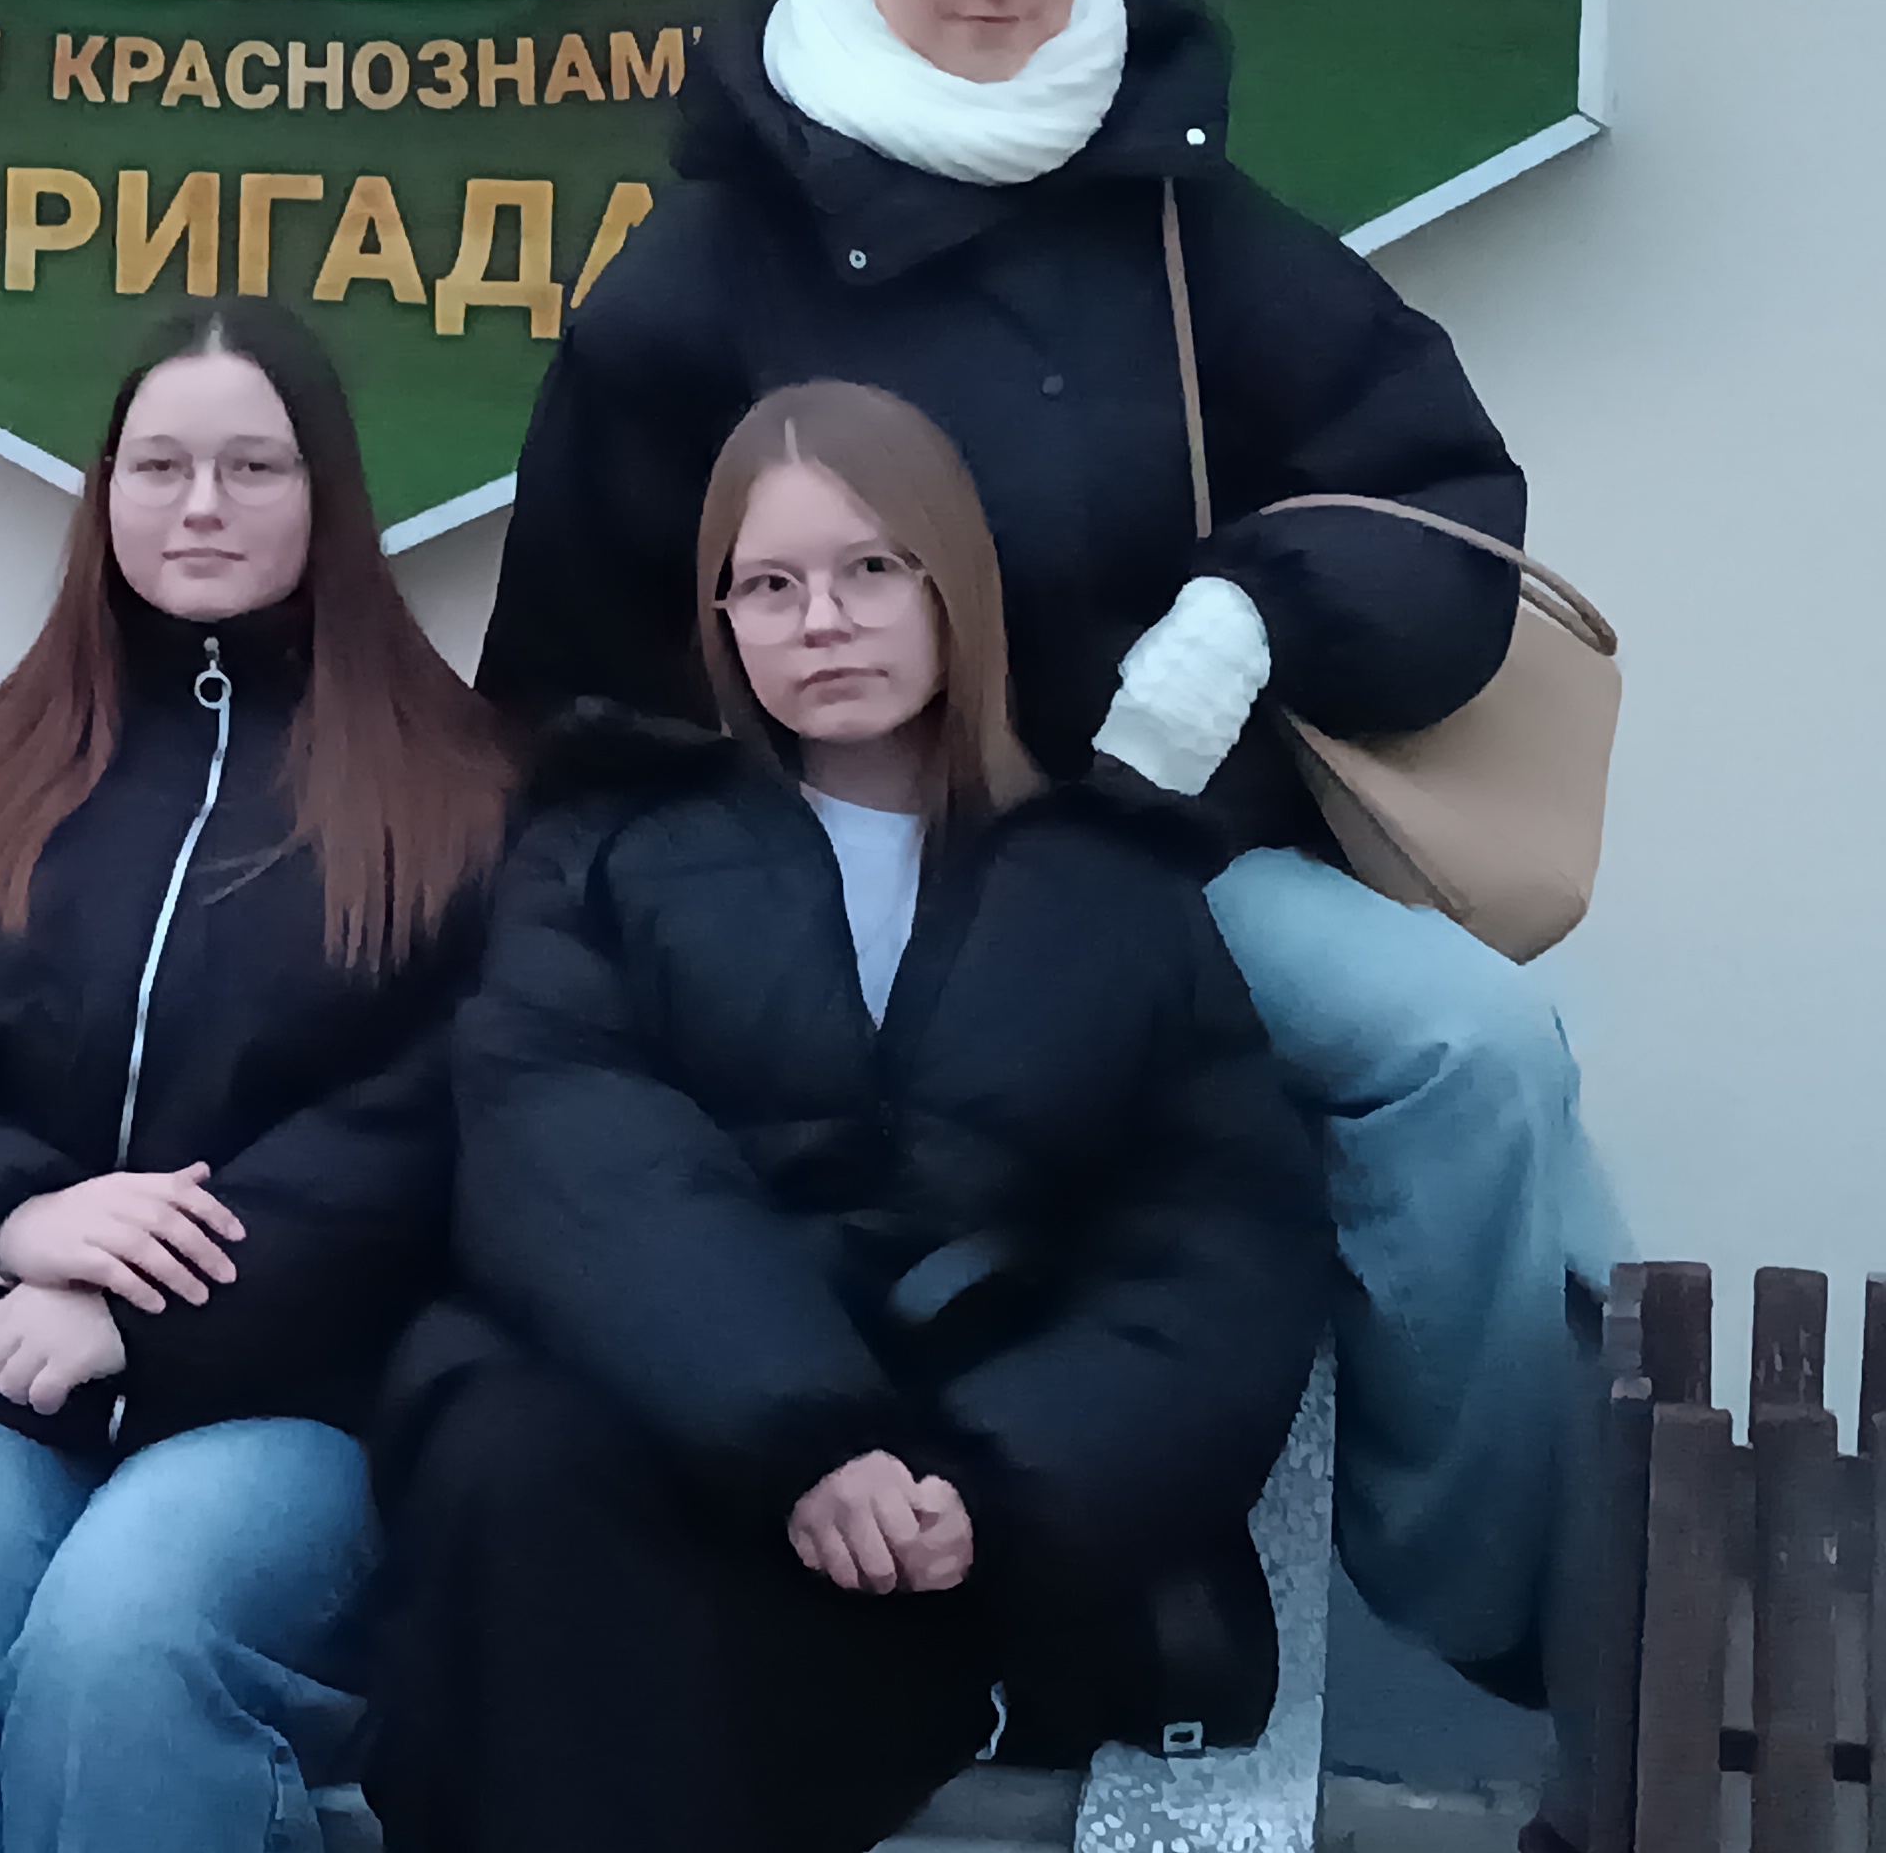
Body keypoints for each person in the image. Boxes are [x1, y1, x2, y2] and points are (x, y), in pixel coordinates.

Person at [477, 0, 1618, 1704]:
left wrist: (1257, 609)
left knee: (1477, 1057)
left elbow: (1435, 486)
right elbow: (578, 662)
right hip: (829, 883)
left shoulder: (1178, 214)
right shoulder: (703, 269)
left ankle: (1497, 1615)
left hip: (1155, 864)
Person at [371, 381, 1336, 1853]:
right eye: (769, 585)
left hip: (944, 1503)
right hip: (657, 1433)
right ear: (722, 620)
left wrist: (992, 1480)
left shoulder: (1113, 887)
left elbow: (1219, 1246)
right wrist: (805, 1436)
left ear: (955, 588)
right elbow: (572, 1151)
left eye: (870, 569)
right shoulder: (606, 847)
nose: (820, 621)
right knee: (514, 1473)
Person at [0, 304, 513, 1853]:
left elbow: (435, 1121)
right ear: (106, 494)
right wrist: (16, 1221)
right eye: (158, 466)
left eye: (250, 466)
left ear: (328, 494)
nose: (199, 504)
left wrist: (144, 1305)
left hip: (300, 1404)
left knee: (119, 1652)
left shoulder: (459, 788)